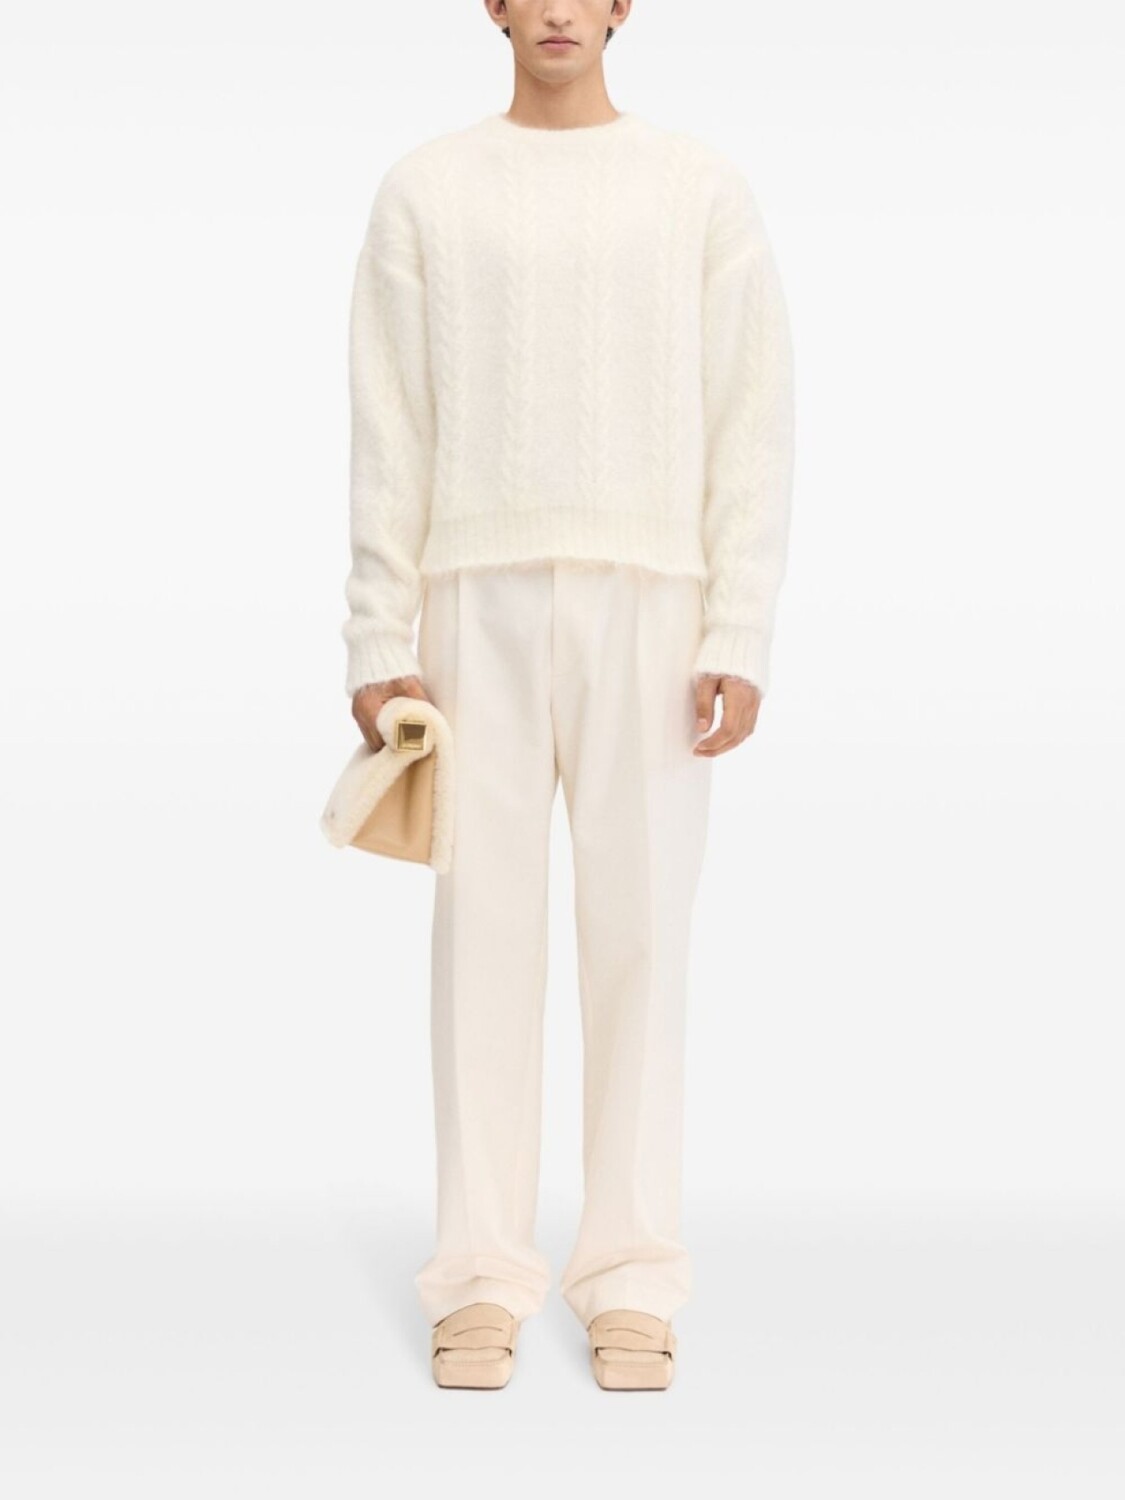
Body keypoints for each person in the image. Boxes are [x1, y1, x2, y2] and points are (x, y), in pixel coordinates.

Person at [339, 0, 794, 1391]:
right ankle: (479, 1274)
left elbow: (750, 416)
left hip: (653, 604)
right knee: (481, 939)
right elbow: (388, 422)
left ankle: (631, 1274)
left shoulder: (697, 188)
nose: (553, 9)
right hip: (472, 599)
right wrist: (377, 633)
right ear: (492, 3)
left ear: (619, 6)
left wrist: (739, 625)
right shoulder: (427, 189)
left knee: (639, 939)